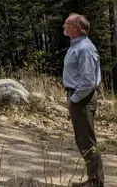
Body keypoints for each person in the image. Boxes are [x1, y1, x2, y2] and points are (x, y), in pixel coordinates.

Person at [62, 13, 104, 187]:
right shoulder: (76, 46)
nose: (64, 25)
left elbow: (87, 81)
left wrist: (74, 99)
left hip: (82, 98)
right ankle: (93, 179)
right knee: (83, 139)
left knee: (86, 140)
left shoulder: (84, 48)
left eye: (67, 23)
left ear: (77, 28)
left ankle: (96, 182)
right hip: (78, 97)